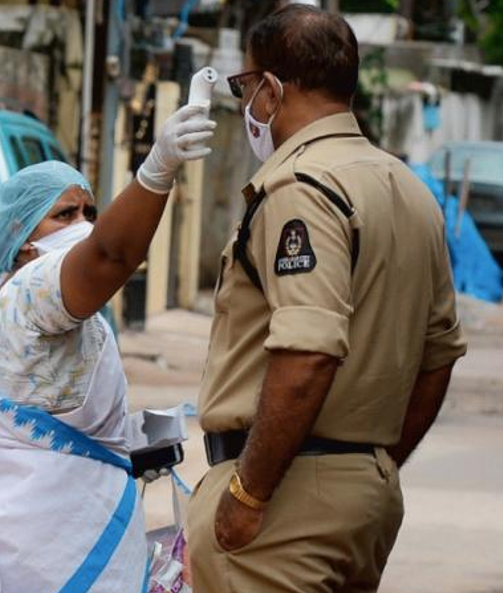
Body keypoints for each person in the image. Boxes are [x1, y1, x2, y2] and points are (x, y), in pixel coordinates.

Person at [186, 6, 468, 593]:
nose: (245, 106)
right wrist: (375, 464)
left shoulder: (300, 187)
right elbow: (438, 354)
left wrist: (248, 492)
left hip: (282, 503)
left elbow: (308, 353)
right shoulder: (408, 189)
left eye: (243, 87)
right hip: (360, 497)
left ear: (270, 88)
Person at [0, 105, 216, 592]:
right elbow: (111, 255)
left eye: (90, 212)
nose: (84, 225)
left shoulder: (25, 297)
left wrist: (124, 436)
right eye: (64, 215)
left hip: (48, 533)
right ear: (23, 240)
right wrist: (157, 169)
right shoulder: (33, 287)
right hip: (50, 546)